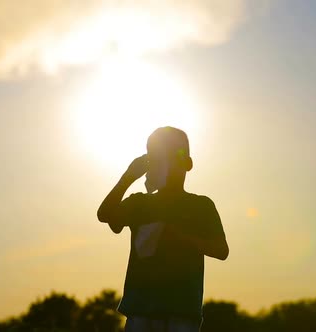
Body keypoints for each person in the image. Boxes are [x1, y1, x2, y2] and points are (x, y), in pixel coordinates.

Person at [97, 126, 229, 332]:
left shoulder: (201, 206)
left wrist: (181, 238)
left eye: (171, 157)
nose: (164, 165)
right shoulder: (139, 204)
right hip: (140, 311)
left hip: (182, 312)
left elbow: (221, 250)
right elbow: (105, 215)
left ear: (187, 163)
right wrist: (128, 176)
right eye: (157, 158)